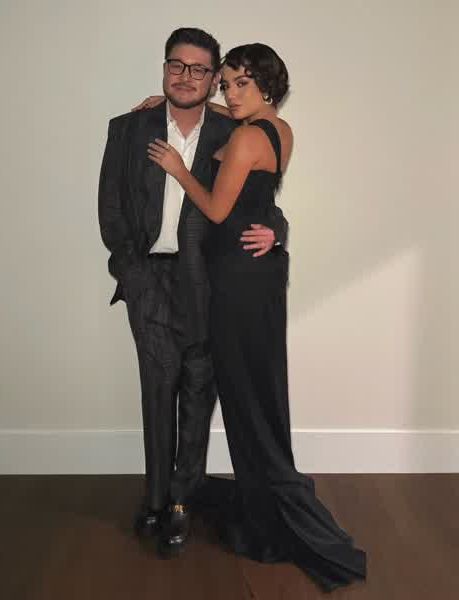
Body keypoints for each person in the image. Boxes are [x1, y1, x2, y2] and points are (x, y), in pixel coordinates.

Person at [147, 42, 367, 592]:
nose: (230, 93)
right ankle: (265, 494)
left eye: (240, 83)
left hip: (237, 282)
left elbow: (218, 210)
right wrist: (196, 103)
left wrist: (178, 169)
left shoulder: (246, 137)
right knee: (258, 388)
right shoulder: (279, 130)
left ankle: (268, 513)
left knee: (245, 392)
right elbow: (259, 200)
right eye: (225, 84)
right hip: (259, 276)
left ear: (266, 84)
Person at [98, 28, 288, 559]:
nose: (186, 76)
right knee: (157, 390)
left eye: (199, 69)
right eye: (177, 65)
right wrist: (132, 274)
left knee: (200, 392)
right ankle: (155, 498)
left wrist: (277, 231)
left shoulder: (233, 129)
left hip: (211, 284)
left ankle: (183, 499)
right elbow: (110, 208)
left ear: (212, 78)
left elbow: (259, 200)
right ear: (165, 68)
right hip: (150, 281)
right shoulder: (127, 128)